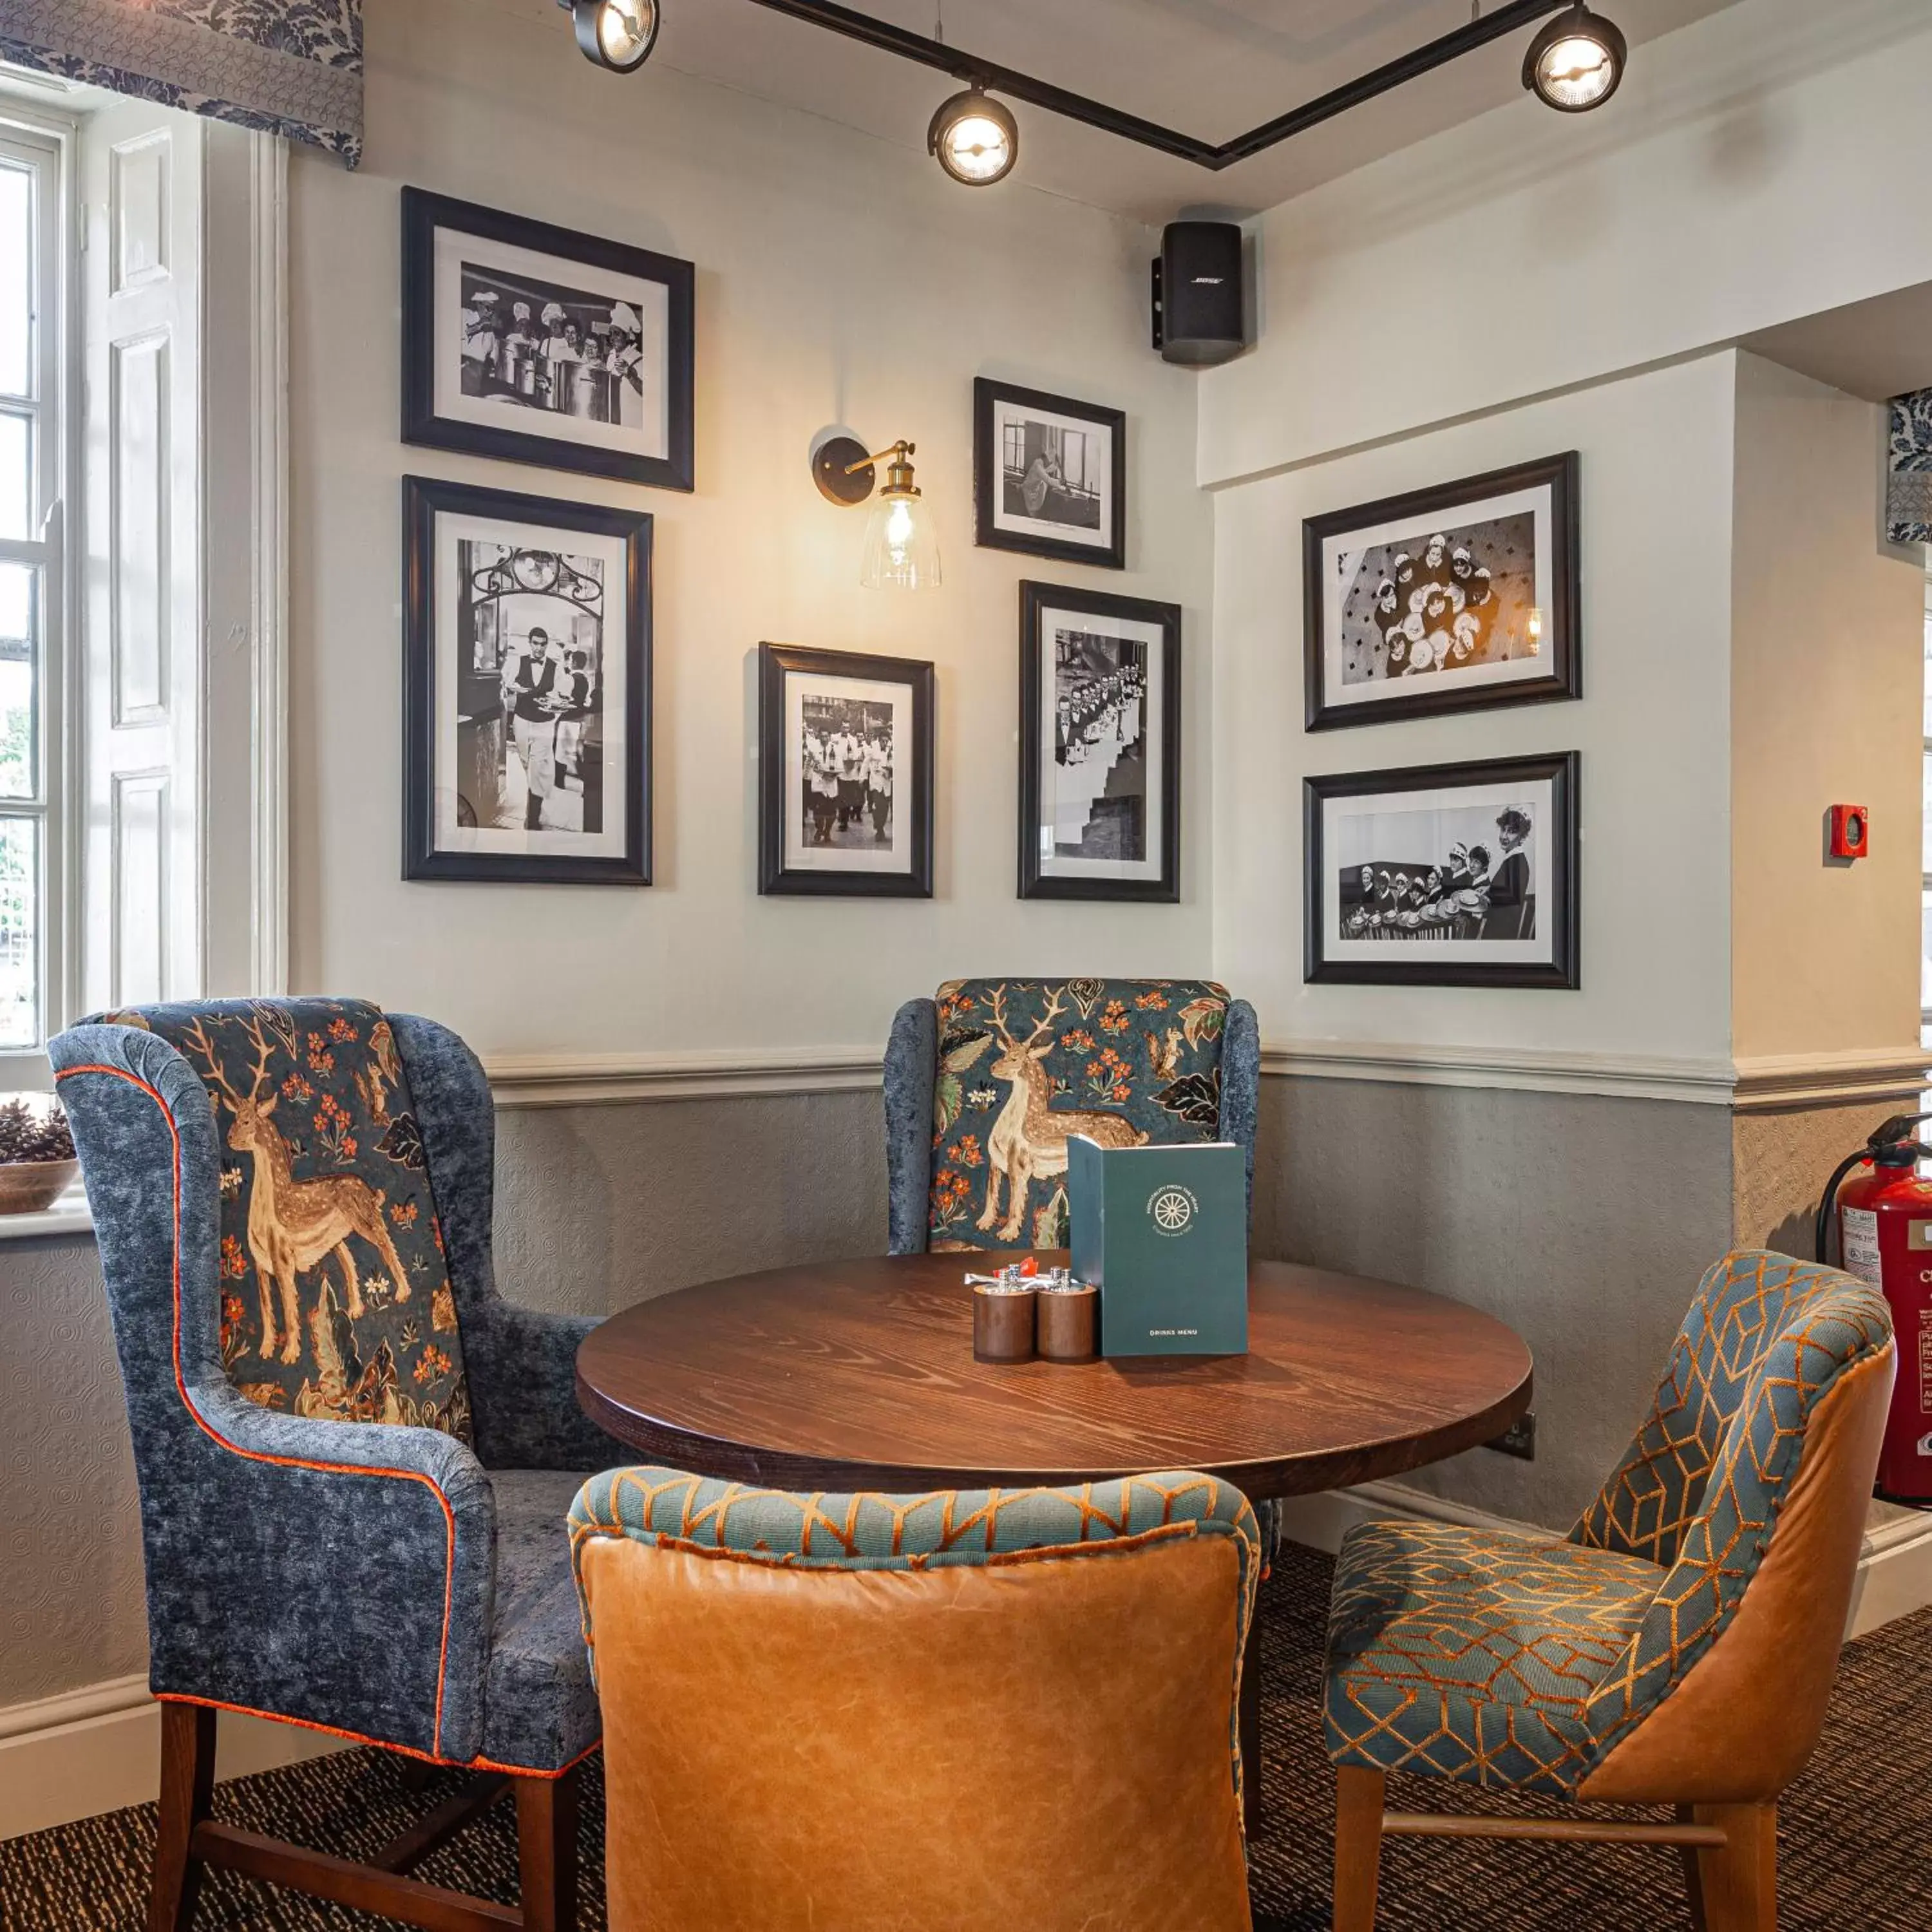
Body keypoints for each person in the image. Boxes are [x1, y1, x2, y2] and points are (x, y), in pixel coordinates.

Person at [502, 626, 568, 831]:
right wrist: (510, 688)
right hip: (522, 720)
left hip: (544, 723)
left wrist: (553, 701)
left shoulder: (555, 667)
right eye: (536, 643)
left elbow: (560, 692)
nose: (539, 648)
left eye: (543, 644)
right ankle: (533, 802)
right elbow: (506, 682)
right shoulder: (517, 661)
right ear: (530, 643)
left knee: (538, 768)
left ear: (547, 645)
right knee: (525, 763)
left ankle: (533, 817)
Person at [1487, 807, 1533, 937]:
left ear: (1522, 837)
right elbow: (1505, 892)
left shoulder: (1518, 863)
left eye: (1511, 832)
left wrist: (1485, 899)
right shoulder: (1512, 860)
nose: (1504, 836)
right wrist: (1488, 889)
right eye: (1503, 829)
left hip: (1501, 934)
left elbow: (1506, 904)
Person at [461, 291, 502, 395]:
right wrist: (479, 325)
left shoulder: (489, 327)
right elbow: (460, 334)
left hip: (477, 371)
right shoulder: (464, 314)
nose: (491, 313)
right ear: (479, 304)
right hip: (462, 364)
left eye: (493, 310)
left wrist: (488, 330)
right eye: (488, 308)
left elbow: (487, 349)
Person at [1021, 445, 1066, 519]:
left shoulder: (1042, 464)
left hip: (1035, 489)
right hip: (1028, 490)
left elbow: (1049, 469)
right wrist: (1061, 482)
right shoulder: (1038, 465)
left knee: (1035, 510)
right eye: (1049, 462)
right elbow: (1047, 479)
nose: (1049, 464)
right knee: (1032, 512)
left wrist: (1058, 464)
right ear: (1045, 459)